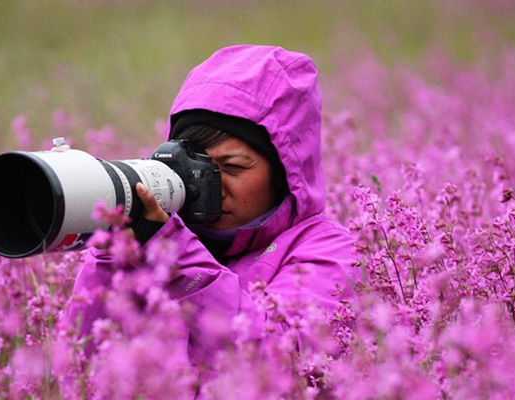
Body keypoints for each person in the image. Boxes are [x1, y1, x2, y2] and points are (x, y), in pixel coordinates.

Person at [66, 45, 356, 372]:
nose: (211, 187)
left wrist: (177, 256)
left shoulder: (329, 251)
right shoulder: (153, 241)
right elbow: (88, 381)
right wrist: (113, 258)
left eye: (232, 168)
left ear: (284, 174)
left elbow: (278, 365)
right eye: (196, 168)